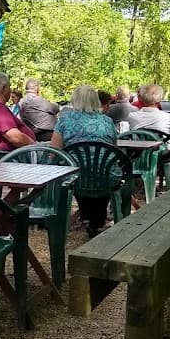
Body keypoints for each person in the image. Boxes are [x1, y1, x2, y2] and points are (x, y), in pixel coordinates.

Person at [50, 84, 119, 237]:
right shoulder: (107, 121)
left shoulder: (64, 120)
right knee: (100, 174)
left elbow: (54, 153)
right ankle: (96, 221)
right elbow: (114, 149)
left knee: (75, 173)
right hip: (106, 177)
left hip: (76, 177)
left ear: (74, 100)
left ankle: (87, 216)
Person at [0, 71, 35, 153]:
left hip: (14, 153)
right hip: (15, 156)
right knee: (52, 150)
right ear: (4, 88)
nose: (10, 91)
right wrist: (35, 145)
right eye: (9, 87)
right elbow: (16, 138)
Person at [18, 77, 60, 142]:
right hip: (46, 134)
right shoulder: (35, 100)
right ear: (36, 87)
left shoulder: (22, 101)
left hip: (35, 133)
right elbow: (55, 108)